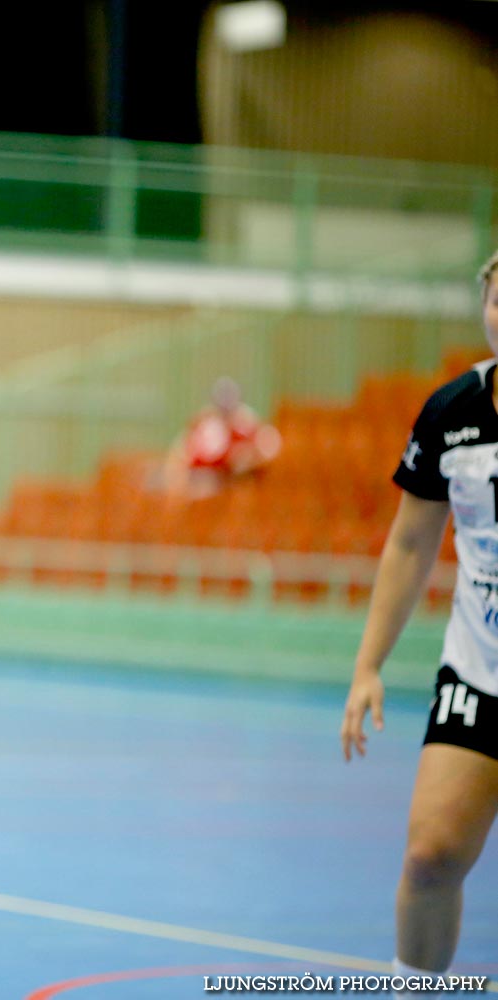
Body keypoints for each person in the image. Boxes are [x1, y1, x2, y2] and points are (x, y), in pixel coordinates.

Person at [340, 249, 498, 994]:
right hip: (479, 673)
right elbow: (409, 543)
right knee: (432, 853)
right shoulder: (453, 413)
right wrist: (368, 666)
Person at [162, 375, 281, 499]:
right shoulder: (205, 423)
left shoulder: (247, 424)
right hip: (203, 481)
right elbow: (179, 457)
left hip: (234, 485)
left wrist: (247, 457)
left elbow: (268, 450)